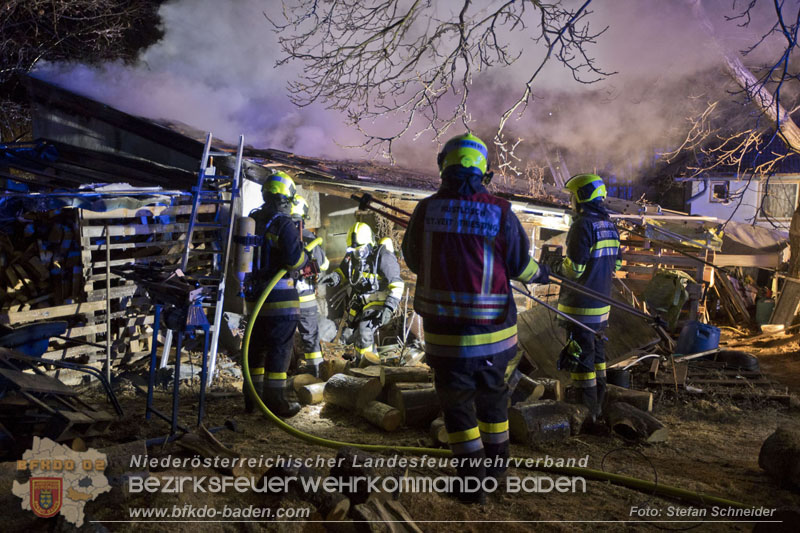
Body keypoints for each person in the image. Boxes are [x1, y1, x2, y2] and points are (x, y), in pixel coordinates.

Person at [401, 133, 549, 503]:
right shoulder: (500, 211)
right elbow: (519, 266)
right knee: (493, 398)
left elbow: (413, 259)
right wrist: (541, 274)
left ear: (443, 166)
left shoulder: (427, 210)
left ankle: (472, 485)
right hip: (495, 333)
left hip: (445, 333)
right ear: (484, 171)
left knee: (457, 406)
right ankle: (496, 471)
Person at [554, 173, 622, 423]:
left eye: (573, 195)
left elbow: (575, 270)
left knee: (581, 357)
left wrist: (555, 265)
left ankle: (585, 410)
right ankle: (599, 404)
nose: (571, 200)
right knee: (598, 356)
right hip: (602, 305)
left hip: (580, 306)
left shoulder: (582, 225)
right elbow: (617, 262)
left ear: (582, 196)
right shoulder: (609, 225)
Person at [243, 171, 308, 417]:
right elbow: (293, 260)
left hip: (255, 298)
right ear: (286, 197)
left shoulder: (254, 220)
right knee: (279, 349)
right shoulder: (284, 223)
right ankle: (275, 402)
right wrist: (306, 257)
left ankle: (252, 399)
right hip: (280, 299)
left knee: (256, 349)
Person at [320, 222, 404, 362]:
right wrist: (335, 277)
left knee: (365, 331)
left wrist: (389, 308)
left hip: (379, 302)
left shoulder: (383, 257)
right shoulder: (353, 256)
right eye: (354, 251)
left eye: (361, 250)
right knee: (350, 335)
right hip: (360, 302)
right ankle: (362, 361)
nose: (358, 255)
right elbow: (343, 271)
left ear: (370, 244)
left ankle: (368, 368)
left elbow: (398, 285)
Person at [291, 195, 330, 377]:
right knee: (310, 337)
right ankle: (316, 375)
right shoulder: (308, 238)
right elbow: (322, 265)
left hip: (281, 298)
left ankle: (284, 374)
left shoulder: (275, 235)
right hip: (305, 296)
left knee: (282, 338)